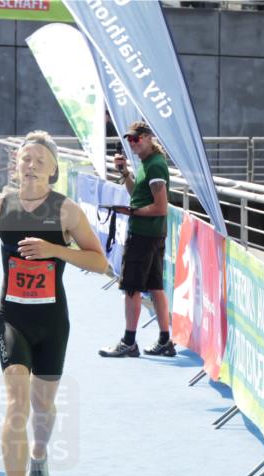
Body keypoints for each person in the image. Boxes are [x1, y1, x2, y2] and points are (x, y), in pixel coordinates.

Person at [0, 131, 108, 476]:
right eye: (24, 158)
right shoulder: (0, 203)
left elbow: (100, 263)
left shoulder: (66, 212)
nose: (30, 165)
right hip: (11, 317)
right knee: (17, 403)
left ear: (53, 172)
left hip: (52, 322)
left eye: (38, 160)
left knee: (43, 406)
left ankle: (39, 457)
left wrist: (56, 250)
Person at [100, 121, 176, 358]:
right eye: (129, 140)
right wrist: (124, 173)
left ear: (147, 137)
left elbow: (160, 208)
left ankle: (129, 342)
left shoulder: (154, 166)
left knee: (131, 288)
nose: (131, 143)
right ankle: (165, 341)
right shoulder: (146, 163)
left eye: (136, 139)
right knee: (155, 287)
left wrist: (131, 212)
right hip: (152, 234)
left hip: (144, 235)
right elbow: (137, 195)